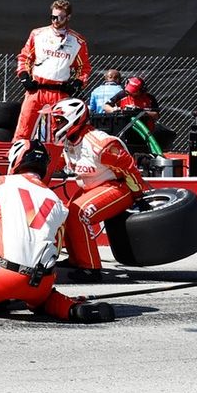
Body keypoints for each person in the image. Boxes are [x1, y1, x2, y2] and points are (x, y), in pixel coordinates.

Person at [0, 140, 116, 328]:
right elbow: (55, 248)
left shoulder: (2, 184)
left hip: (6, 275)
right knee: (44, 301)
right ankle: (73, 309)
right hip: (42, 281)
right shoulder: (57, 202)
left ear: (17, 160)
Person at [50, 98, 149, 282]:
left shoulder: (100, 144)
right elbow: (59, 164)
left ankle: (91, 269)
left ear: (74, 119)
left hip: (117, 187)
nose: (56, 125)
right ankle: (76, 260)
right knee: (65, 213)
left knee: (78, 214)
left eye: (60, 121)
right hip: (90, 187)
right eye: (56, 121)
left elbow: (128, 167)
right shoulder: (68, 142)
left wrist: (138, 195)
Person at [14, 0, 90, 141]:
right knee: (24, 129)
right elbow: (25, 57)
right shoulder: (37, 34)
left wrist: (78, 83)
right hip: (36, 90)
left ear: (68, 17)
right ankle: (16, 158)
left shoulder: (78, 41)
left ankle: (57, 162)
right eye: (53, 17)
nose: (55, 20)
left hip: (60, 92)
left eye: (60, 17)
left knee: (59, 133)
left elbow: (84, 68)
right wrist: (24, 76)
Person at [105, 76, 175, 151]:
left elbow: (156, 115)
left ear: (141, 90)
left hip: (145, 132)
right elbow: (106, 106)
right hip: (125, 132)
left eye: (134, 91)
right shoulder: (123, 94)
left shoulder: (149, 98)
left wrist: (141, 112)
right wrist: (114, 109)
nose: (130, 93)